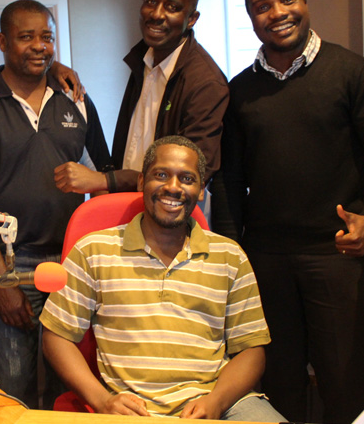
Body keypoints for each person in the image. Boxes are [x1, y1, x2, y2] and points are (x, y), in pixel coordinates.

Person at [210, 0, 364, 423]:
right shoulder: (240, 90)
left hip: (335, 256)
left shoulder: (352, 72)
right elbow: (228, 177)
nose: (277, 13)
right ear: (251, 18)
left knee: (344, 384)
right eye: (262, 7)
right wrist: (230, 251)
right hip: (265, 261)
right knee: (278, 384)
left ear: (304, 3)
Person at [41, 136, 285, 422]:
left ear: (201, 190)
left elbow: (252, 350)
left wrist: (216, 402)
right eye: (161, 175)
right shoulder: (93, 250)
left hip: (219, 403)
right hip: (130, 409)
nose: (173, 187)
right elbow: (56, 336)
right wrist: (102, 400)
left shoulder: (230, 256)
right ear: (141, 182)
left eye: (187, 178)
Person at [0, 0, 111, 409]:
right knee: (13, 386)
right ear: (3, 42)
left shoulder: (75, 97)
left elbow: (107, 175)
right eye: (26, 37)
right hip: (15, 263)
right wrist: (3, 281)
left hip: (73, 262)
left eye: (46, 37)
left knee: (74, 382)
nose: (39, 46)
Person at [54, 0, 228, 195]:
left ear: (192, 19)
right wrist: (50, 67)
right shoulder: (144, 59)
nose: (156, 14)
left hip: (170, 211)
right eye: (151, 1)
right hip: (130, 204)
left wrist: (106, 180)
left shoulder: (205, 82)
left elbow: (190, 173)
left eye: (172, 7)